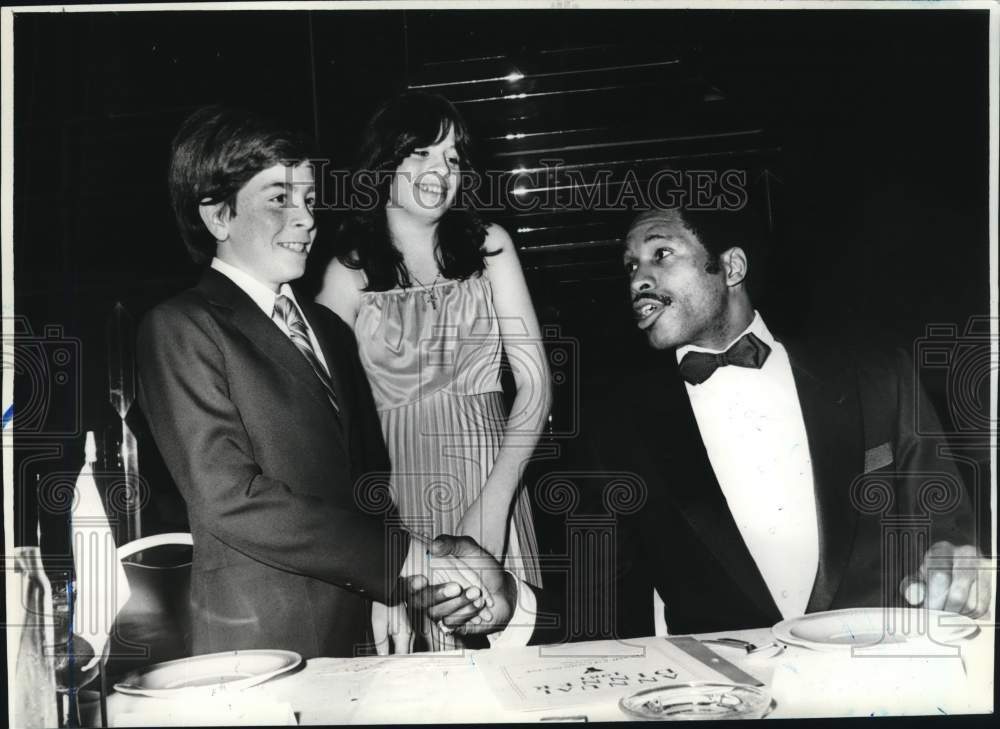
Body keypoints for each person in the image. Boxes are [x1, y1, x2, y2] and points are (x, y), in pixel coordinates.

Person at [414, 205, 991, 642]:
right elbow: (606, 613)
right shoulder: (618, 432)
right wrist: (512, 604)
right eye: (630, 266)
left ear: (731, 266)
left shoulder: (875, 373)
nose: (638, 279)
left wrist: (958, 559)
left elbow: (948, 532)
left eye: (661, 254)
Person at [137, 106, 492, 659]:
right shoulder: (182, 327)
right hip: (258, 638)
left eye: (307, 198)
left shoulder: (327, 326)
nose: (305, 217)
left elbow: (370, 473)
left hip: (358, 627)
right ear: (217, 216)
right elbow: (229, 498)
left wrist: (389, 594)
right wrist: (398, 559)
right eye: (279, 198)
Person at [317, 91, 550, 649]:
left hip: (495, 483)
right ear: (385, 161)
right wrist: (375, 567)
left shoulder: (489, 246)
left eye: (453, 158)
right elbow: (328, 434)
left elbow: (536, 385)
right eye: (421, 152)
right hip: (396, 509)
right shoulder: (345, 276)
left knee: (515, 668)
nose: (439, 171)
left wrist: (493, 510)